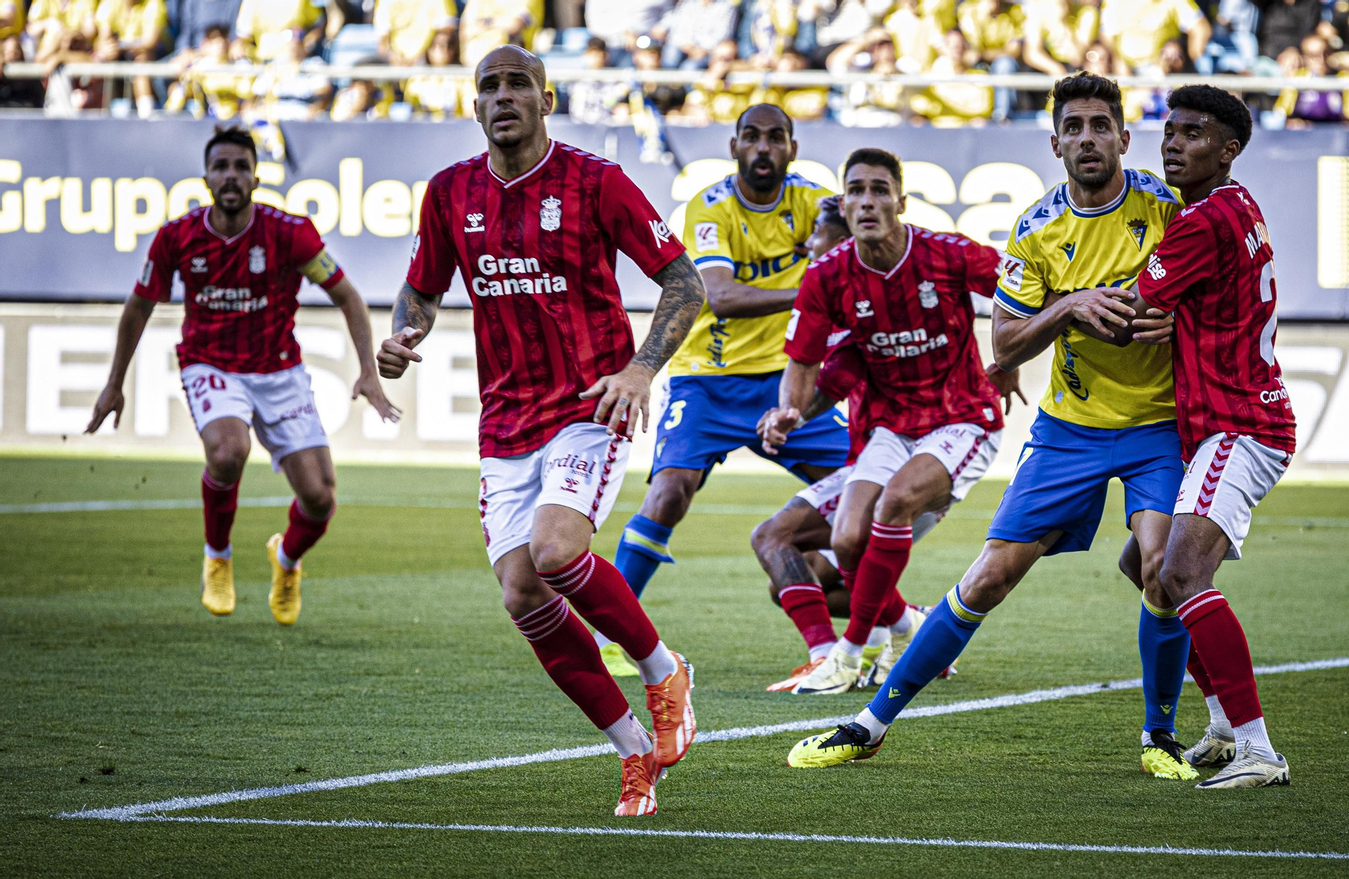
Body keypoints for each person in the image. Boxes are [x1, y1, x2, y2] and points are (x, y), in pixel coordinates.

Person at [786, 74, 1197, 782]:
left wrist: (1177, 320)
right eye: (1074, 127)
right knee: (986, 578)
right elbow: (1005, 343)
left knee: (1162, 571)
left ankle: (1160, 735)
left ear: (1125, 139)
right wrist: (1067, 308)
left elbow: (1213, 294)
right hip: (1069, 429)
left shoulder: (1167, 208)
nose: (1088, 138)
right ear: (1056, 144)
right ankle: (869, 725)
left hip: (1156, 424)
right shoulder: (1036, 228)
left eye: (1101, 125)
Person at [375, 46, 704, 816]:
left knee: (556, 552)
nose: (503, 96)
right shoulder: (450, 192)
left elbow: (684, 283)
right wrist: (403, 333)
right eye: (488, 85)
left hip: (590, 405)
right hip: (506, 421)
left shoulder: (597, 182)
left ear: (547, 100)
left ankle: (664, 671)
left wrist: (639, 371)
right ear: (474, 104)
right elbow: (421, 289)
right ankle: (633, 750)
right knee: (523, 593)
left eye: (518, 83)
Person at [86, 125, 397, 626]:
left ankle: (286, 559)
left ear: (256, 177)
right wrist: (114, 382)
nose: (230, 175)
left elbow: (348, 297)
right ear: (206, 178)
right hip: (210, 363)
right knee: (229, 451)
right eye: (220, 167)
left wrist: (367, 370)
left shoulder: (290, 232)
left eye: (240, 167)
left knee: (320, 497)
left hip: (278, 369)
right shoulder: (177, 237)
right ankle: (217, 556)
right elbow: (138, 308)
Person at [600, 103, 849, 676]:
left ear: (792, 148)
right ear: (734, 146)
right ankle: (612, 639)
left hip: (789, 381)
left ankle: (892, 622)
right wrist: (812, 293)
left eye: (776, 138)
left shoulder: (816, 203)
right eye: (751, 137)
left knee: (864, 491)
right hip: (708, 379)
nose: (763, 148)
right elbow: (721, 295)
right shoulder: (709, 207)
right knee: (668, 494)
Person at [751, 195, 1024, 692]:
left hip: (936, 442)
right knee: (795, 567)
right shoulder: (831, 288)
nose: (809, 243)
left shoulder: (917, 268)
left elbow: (1017, 280)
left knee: (795, 536)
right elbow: (824, 375)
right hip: (881, 445)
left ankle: (843, 653)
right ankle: (907, 626)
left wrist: (1010, 356)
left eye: (818, 233)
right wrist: (792, 412)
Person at [1138, 84, 1298, 789]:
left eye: (1193, 134)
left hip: (1238, 423)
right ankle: (1226, 727)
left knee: (1179, 575)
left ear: (1228, 150)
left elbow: (1135, 307)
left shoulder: (1200, 221)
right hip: (1228, 421)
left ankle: (1260, 750)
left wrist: (1057, 306)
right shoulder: (1236, 203)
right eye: (1170, 130)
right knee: (1146, 568)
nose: (1174, 143)